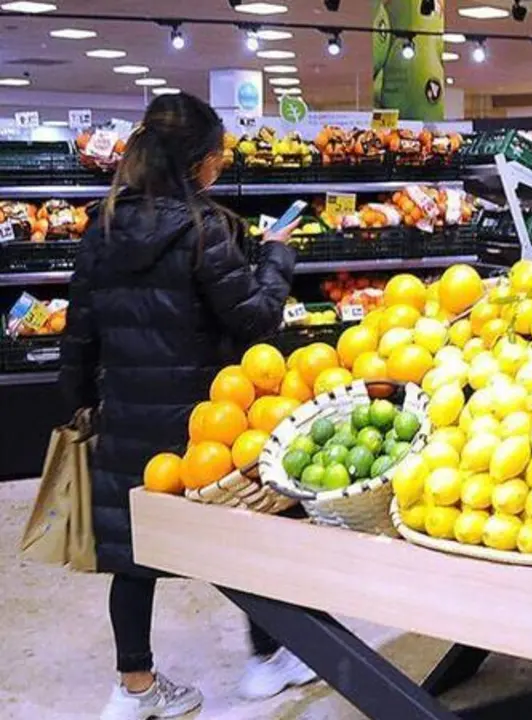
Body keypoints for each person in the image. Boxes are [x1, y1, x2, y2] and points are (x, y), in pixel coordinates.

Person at [59, 92, 316, 720]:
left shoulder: (104, 225)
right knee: (245, 538)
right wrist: (278, 258)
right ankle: (267, 662)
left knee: (133, 555)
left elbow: (78, 332)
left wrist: (82, 408)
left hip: (126, 417)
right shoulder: (203, 229)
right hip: (207, 423)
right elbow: (254, 320)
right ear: (194, 162)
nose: (220, 168)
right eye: (216, 157)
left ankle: (135, 687)